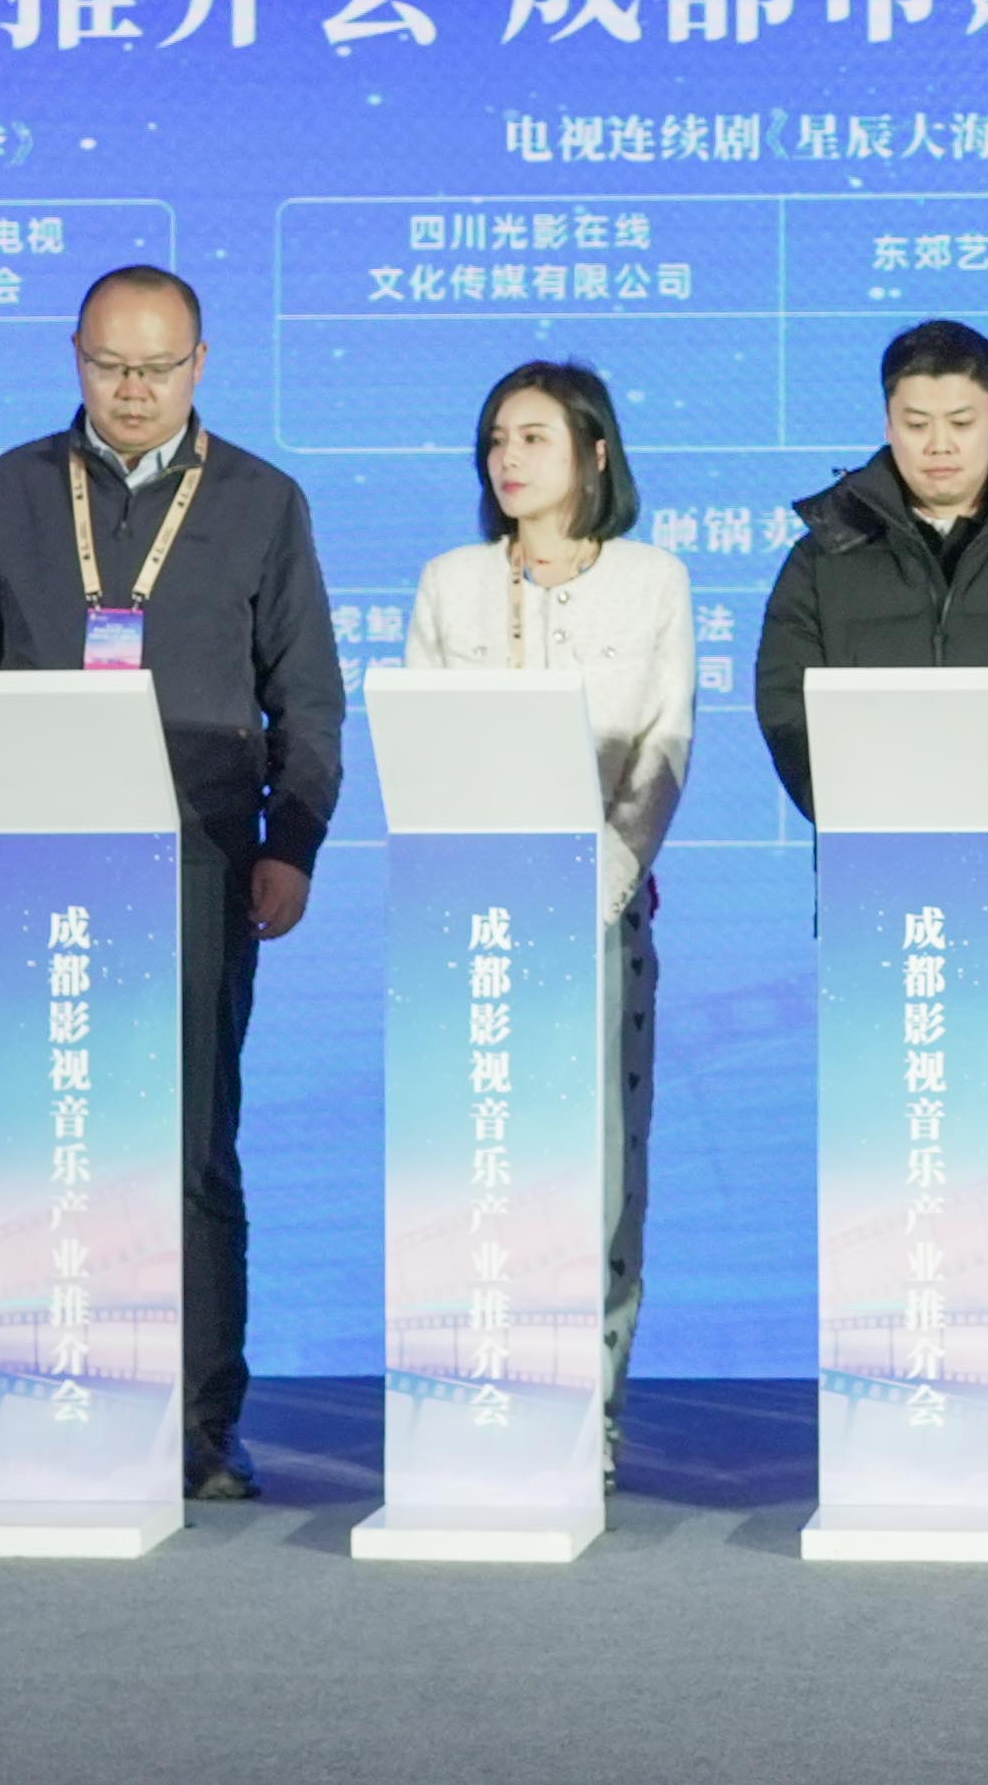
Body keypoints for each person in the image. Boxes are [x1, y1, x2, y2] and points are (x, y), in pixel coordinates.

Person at [0, 265, 341, 1504]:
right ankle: (43, 1390)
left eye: (156, 366)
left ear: (200, 363)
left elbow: (307, 695)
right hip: (36, 855)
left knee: (190, 1142)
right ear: (75, 359)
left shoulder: (261, 498)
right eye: (110, 365)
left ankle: (201, 1422)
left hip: (201, 855)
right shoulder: (9, 490)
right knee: (45, 1135)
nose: (133, 389)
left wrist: (292, 841)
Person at [752, 317, 988, 1349]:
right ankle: (889, 1364)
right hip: (879, 896)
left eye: (959, 421)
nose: (937, 443)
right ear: (886, 420)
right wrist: (871, 819)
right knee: (887, 1140)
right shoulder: (825, 551)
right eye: (915, 421)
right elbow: (787, 709)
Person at [402, 361, 691, 1470]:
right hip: (470, 916)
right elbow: (420, 738)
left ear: (594, 452)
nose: (508, 459)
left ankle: (590, 1405)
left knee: (601, 1164)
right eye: (495, 440)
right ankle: (475, 1386)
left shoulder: (650, 581)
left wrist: (600, 881)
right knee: (475, 1159)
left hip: (598, 909)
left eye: (533, 437)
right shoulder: (449, 582)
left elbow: (663, 746)